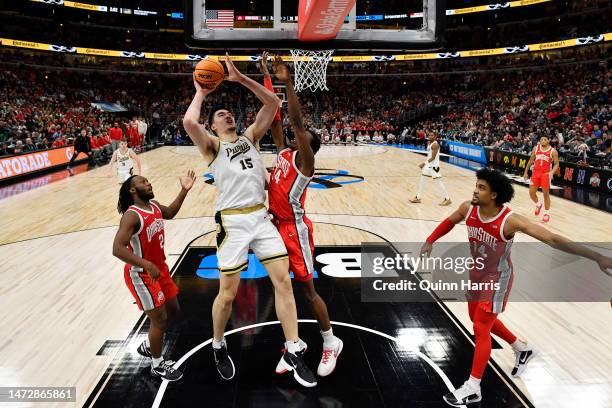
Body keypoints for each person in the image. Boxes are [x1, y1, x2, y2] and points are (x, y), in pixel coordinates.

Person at [420, 168, 612, 406]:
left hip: (497, 279)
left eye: (481, 188)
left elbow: (552, 238)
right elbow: (449, 222)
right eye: (476, 185)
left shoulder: (510, 221)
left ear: (494, 195)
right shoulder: (467, 208)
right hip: (476, 273)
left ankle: (473, 387)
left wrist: (596, 256)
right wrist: (430, 239)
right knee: (478, 319)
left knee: (481, 326)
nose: (475, 190)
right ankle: (522, 348)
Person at [182, 54, 316, 387]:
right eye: (219, 115)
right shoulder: (212, 147)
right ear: (213, 126)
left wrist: (240, 78)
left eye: (228, 112)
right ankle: (218, 343)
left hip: (261, 217)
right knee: (227, 294)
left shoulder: (250, 137)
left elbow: (271, 103)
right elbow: (188, 123)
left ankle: (294, 348)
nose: (226, 114)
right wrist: (201, 92)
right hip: (232, 223)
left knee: (282, 282)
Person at [261, 55, 343, 377]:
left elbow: (294, 121)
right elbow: (277, 117)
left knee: (309, 291)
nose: (298, 134)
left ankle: (329, 342)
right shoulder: (283, 151)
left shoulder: (305, 163)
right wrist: (268, 78)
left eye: (304, 135)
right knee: (283, 290)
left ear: (310, 146)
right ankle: (294, 344)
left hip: (295, 230)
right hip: (274, 228)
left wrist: (288, 81)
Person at [112, 171, 197, 381]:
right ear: (133, 190)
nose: (148, 183)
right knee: (159, 321)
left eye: (148, 180)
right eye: (143, 182)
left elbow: (171, 212)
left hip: (160, 269)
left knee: (173, 309)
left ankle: (150, 344)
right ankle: (157, 365)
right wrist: (145, 264)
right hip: (141, 274)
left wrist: (184, 190)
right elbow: (117, 248)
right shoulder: (132, 215)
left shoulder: (155, 206)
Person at [522, 135, 559, 223]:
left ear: (548, 140)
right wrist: (525, 172)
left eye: (545, 139)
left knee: (545, 194)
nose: (542, 141)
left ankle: (547, 213)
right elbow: (531, 161)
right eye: (541, 139)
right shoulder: (536, 148)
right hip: (535, 173)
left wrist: (551, 173)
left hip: (545, 175)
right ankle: (538, 204)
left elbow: (557, 164)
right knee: (531, 193)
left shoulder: (553, 151)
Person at [410, 131, 452, 206]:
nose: (430, 136)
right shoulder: (430, 143)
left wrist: (424, 163)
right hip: (429, 166)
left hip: (434, 167)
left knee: (438, 183)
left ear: (435, 136)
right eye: (429, 135)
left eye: (432, 135)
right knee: (422, 181)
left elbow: (433, 157)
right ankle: (418, 197)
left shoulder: (435, 145)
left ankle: (447, 199)